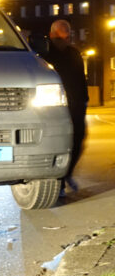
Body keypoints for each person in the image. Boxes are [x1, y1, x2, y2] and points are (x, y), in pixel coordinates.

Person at [41, 19, 88, 194]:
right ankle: (59, 180)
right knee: (58, 142)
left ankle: (66, 174)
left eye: (68, 33)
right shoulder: (44, 54)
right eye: (63, 34)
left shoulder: (74, 53)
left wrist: (84, 100)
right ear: (52, 35)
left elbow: (80, 78)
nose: (67, 37)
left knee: (78, 139)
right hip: (54, 106)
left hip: (75, 104)